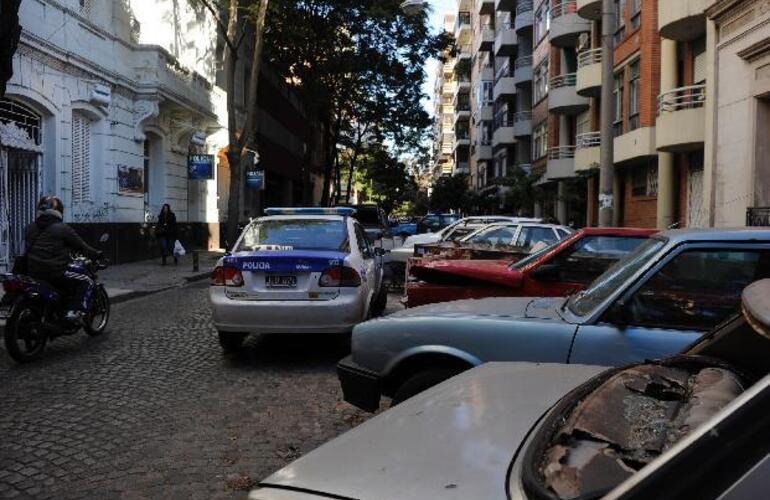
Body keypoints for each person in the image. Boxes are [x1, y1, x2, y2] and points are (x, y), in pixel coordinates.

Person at [25, 196, 102, 323]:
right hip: (53, 272)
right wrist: (97, 254)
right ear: (59, 211)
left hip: (31, 271)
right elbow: (82, 247)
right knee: (87, 280)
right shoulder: (63, 229)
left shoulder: (30, 228)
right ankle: (73, 312)